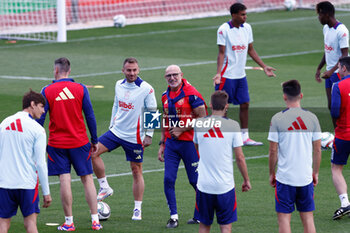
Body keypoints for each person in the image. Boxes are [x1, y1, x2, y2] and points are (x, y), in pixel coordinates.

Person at [38, 57, 102, 231]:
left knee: (64, 179)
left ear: (56, 70)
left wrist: (38, 143)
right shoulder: (80, 88)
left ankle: (69, 222)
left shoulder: (47, 90)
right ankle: (95, 221)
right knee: (87, 178)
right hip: (80, 142)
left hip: (57, 144)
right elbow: (90, 115)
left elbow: (40, 119)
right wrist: (94, 139)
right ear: (69, 70)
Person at [92, 57, 157, 221]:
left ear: (139, 70)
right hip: (116, 132)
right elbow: (116, 104)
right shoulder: (118, 85)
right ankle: (105, 187)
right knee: (92, 152)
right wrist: (112, 123)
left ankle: (137, 209)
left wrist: (149, 135)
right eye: (129, 70)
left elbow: (152, 111)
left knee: (136, 171)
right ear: (123, 70)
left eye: (134, 70)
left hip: (134, 138)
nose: (132, 73)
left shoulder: (146, 89)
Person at [213, 2, 276, 146]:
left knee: (245, 103)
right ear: (234, 15)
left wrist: (264, 66)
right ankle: (225, 137)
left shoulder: (247, 28)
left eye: (245, 14)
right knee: (224, 106)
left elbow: (251, 50)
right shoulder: (224, 30)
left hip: (240, 75)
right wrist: (218, 73)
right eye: (242, 14)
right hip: (227, 75)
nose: (245, 17)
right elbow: (221, 53)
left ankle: (244, 137)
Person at [268, 80, 322, 233]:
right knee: (308, 218)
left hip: (285, 178)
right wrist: (315, 173)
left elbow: (273, 151)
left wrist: (272, 173)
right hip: (305, 177)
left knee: (284, 219)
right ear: (301, 95)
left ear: (284, 97)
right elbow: (317, 150)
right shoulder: (312, 118)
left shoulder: (277, 118)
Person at [194, 90, 251, 233]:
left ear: (210, 105)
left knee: (204, 225)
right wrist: (246, 180)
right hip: (225, 186)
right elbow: (240, 157)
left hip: (204, 185)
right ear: (226, 106)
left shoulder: (199, 124)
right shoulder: (233, 126)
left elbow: (197, 148)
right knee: (225, 227)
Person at [158, 64, 207, 228]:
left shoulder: (192, 95)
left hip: (189, 144)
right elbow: (165, 120)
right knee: (168, 179)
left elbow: (203, 119)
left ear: (181, 75)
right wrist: (162, 143)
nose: (172, 78)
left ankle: (201, 214)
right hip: (171, 145)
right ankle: (173, 217)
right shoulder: (165, 95)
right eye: (168, 75)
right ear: (165, 78)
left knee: (195, 181)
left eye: (175, 75)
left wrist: (182, 128)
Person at [0, 90, 52, 233]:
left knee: (3, 224)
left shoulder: (4, 124)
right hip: (27, 184)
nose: (43, 111)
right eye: (41, 106)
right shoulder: (37, 129)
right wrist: (46, 192)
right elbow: (41, 163)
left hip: (5, 183)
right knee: (30, 224)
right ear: (32, 104)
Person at [315, 1, 349, 118]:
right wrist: (319, 68)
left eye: (320, 14)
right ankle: (337, 133)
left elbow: (344, 55)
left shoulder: (342, 31)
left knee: (338, 106)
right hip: (329, 73)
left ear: (327, 15)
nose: (318, 17)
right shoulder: (326, 28)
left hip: (339, 73)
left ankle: (343, 131)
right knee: (330, 105)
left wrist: (331, 71)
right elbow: (327, 50)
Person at [330, 56, 350, 220]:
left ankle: (345, 204)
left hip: (343, 135)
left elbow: (335, 112)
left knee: (336, 169)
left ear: (344, 68)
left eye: (338, 68)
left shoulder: (338, 86)